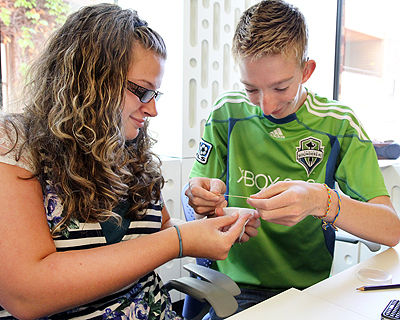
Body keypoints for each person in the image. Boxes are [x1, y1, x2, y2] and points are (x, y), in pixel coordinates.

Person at [0, 4, 256, 319]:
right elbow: (26, 294)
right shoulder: (15, 145)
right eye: (142, 92)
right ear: (90, 80)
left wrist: (211, 228)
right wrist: (179, 241)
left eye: (155, 95)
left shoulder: (130, 147)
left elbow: (160, 229)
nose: (152, 110)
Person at [185, 0, 400, 318]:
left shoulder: (339, 124)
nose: (266, 106)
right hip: (231, 286)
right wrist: (198, 199)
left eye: (280, 87)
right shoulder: (225, 113)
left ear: (307, 71)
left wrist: (321, 201)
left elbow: (391, 229)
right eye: (251, 89)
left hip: (308, 293)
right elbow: (193, 207)